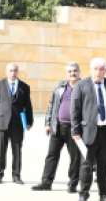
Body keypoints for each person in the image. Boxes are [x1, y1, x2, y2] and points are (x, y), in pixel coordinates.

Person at [71, 57, 106, 201]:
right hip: (88, 132)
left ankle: (104, 195)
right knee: (86, 166)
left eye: (101, 69)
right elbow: (75, 109)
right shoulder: (81, 85)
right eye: (96, 69)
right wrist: (75, 131)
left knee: (104, 166)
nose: (99, 72)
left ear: (105, 71)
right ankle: (83, 195)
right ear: (91, 69)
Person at [32, 63, 82, 192]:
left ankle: (72, 184)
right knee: (51, 155)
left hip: (75, 129)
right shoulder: (60, 87)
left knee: (75, 158)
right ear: (66, 74)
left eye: (75, 71)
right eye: (70, 71)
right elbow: (51, 105)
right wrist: (48, 123)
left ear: (79, 72)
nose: (72, 73)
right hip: (58, 126)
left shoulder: (84, 87)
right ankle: (46, 182)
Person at [0, 63, 33, 184]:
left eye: (15, 70)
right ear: (6, 72)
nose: (13, 73)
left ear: (18, 72)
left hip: (17, 124)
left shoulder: (25, 87)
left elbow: (28, 106)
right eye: (10, 70)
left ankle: (16, 175)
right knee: (0, 150)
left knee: (17, 150)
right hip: (1, 122)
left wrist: (29, 121)